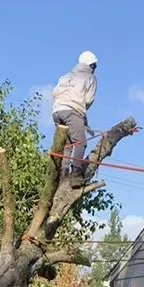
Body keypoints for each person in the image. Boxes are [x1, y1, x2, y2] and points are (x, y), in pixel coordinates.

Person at [52, 51, 98, 187]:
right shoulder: (90, 77)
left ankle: (63, 173)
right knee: (80, 143)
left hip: (56, 111)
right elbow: (88, 100)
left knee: (68, 144)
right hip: (72, 111)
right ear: (91, 65)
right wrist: (81, 115)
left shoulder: (65, 77)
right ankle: (76, 175)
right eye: (94, 66)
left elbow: (54, 93)